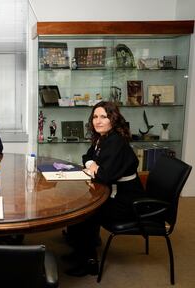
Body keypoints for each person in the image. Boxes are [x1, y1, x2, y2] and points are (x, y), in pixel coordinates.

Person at [64, 101, 145, 277]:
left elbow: (105, 176)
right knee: (80, 208)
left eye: (104, 117)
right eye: (95, 117)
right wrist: (93, 165)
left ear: (113, 120)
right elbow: (87, 156)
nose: (98, 121)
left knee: (84, 212)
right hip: (113, 191)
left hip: (127, 200)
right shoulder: (103, 137)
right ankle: (79, 252)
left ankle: (89, 262)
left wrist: (95, 169)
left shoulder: (116, 141)